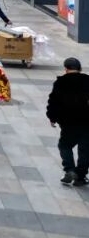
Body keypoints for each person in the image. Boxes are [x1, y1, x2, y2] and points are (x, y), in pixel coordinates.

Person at [47, 57, 89, 186]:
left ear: (66, 69)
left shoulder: (60, 83)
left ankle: (69, 169)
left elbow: (53, 102)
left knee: (64, 146)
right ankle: (80, 176)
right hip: (86, 122)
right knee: (85, 150)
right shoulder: (87, 80)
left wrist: (52, 117)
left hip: (68, 122)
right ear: (80, 68)